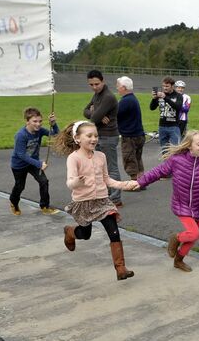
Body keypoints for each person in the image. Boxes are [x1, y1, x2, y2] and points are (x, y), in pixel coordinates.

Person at [127, 130, 199, 272]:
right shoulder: (177, 160)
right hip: (182, 205)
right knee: (194, 234)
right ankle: (176, 238)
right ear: (189, 146)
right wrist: (141, 182)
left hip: (198, 207)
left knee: (192, 239)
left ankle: (178, 261)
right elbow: (158, 172)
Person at [54, 120, 135, 281]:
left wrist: (124, 185)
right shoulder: (73, 158)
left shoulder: (101, 156)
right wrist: (77, 182)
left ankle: (121, 269)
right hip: (84, 203)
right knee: (85, 234)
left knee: (114, 231)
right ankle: (70, 232)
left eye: (96, 136)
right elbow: (70, 182)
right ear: (77, 139)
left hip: (102, 202)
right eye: (89, 136)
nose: (93, 139)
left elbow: (107, 179)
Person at [9, 107, 59, 215]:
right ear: (27, 122)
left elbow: (55, 134)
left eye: (40, 121)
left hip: (33, 163)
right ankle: (14, 202)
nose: (38, 124)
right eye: (35, 121)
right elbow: (21, 154)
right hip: (19, 165)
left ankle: (45, 206)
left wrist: (54, 124)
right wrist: (39, 164)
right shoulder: (21, 135)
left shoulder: (40, 131)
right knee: (20, 186)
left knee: (44, 181)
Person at [83, 70, 122, 207]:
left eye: (97, 84)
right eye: (91, 85)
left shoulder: (108, 97)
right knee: (100, 168)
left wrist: (95, 113)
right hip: (99, 135)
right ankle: (107, 194)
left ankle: (116, 198)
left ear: (103, 81)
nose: (94, 87)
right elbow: (86, 111)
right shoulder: (97, 95)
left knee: (111, 168)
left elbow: (93, 118)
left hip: (109, 136)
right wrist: (95, 112)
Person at [115, 76, 146, 181]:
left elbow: (114, 114)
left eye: (118, 86)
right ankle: (142, 181)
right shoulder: (133, 98)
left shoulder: (125, 101)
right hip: (139, 134)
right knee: (137, 158)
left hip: (129, 136)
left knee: (129, 158)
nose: (117, 88)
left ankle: (134, 183)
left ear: (124, 87)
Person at [149, 76, 183, 155]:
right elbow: (151, 108)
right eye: (163, 86)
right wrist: (154, 98)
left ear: (172, 86)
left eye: (167, 86)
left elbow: (178, 107)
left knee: (176, 150)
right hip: (162, 126)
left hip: (174, 126)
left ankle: (176, 166)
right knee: (164, 151)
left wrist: (166, 98)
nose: (165, 88)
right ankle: (167, 166)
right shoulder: (160, 95)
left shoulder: (178, 96)